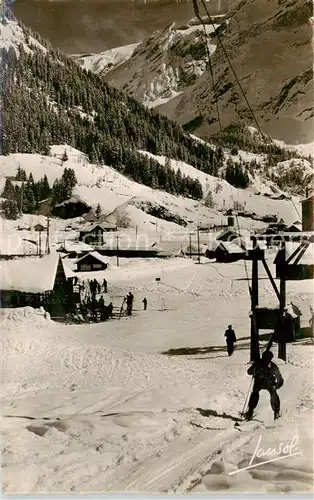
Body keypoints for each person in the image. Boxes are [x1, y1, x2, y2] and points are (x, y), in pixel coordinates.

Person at [245, 350, 284, 421]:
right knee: (255, 394)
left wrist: (276, 386)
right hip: (260, 383)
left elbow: (280, 379)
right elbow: (249, 371)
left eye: (267, 358)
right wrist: (254, 370)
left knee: (272, 395)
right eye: (265, 358)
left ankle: (276, 413)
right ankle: (250, 412)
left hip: (267, 383)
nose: (266, 360)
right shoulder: (260, 363)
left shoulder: (271, 365)